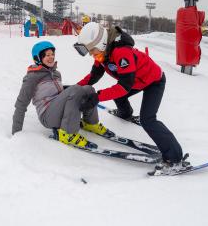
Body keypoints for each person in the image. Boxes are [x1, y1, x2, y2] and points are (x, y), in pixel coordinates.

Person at [73, 22, 189, 172]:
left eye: (92, 51)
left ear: (101, 44)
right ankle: (125, 114)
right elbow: (93, 77)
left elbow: (123, 87)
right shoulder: (102, 53)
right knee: (119, 97)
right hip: (136, 81)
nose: (92, 55)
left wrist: (97, 97)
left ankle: (174, 158)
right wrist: (75, 88)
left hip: (154, 81)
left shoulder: (121, 52)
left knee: (148, 120)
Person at [12, 41, 109, 148]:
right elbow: (21, 104)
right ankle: (68, 134)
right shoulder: (32, 77)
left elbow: (63, 95)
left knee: (89, 89)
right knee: (76, 89)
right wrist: (16, 133)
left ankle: (90, 123)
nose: (51, 57)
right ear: (38, 58)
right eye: (47, 55)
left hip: (61, 112)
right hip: (48, 116)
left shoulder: (56, 74)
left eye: (52, 54)